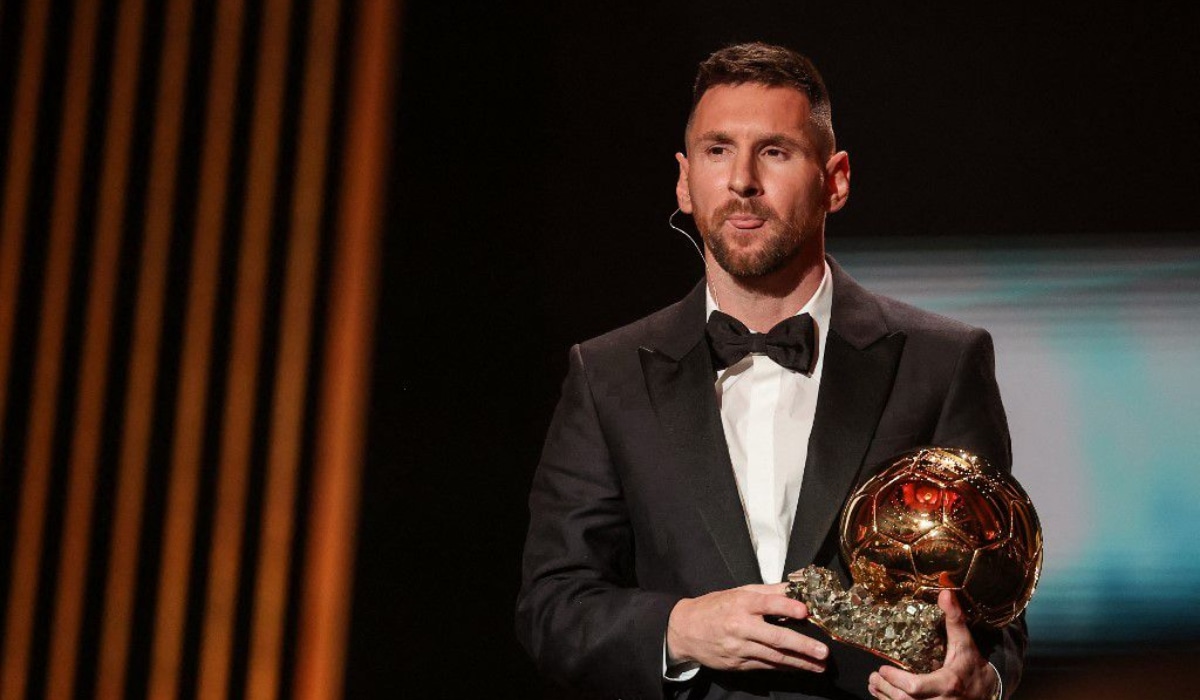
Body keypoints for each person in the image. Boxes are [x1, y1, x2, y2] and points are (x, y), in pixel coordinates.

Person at [516, 42, 1025, 700]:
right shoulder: (606, 375)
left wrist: (980, 681)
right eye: (717, 150)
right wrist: (679, 628)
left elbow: (997, 609)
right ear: (683, 178)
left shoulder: (941, 362)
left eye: (775, 152)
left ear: (835, 180)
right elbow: (552, 608)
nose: (742, 181)